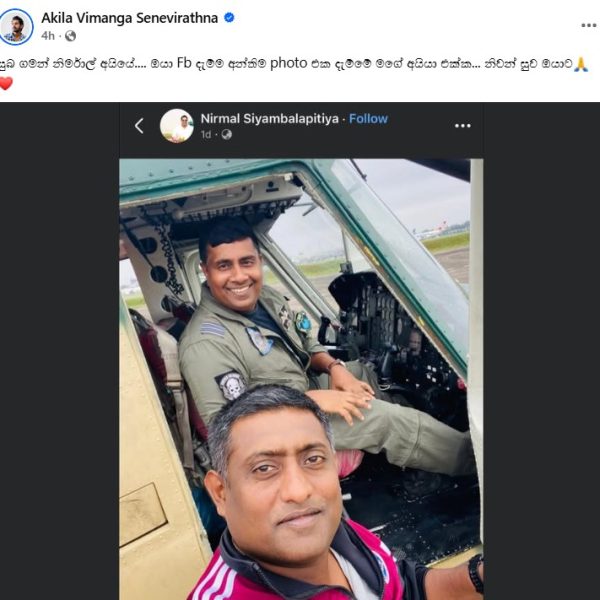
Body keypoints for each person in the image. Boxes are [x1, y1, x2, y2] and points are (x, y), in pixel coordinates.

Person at [179, 215, 475, 476]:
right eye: (224, 266)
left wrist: (336, 368)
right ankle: (472, 461)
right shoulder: (205, 343)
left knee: (364, 373)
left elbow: (307, 344)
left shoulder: (267, 299)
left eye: (246, 262)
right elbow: (231, 428)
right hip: (282, 428)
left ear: (259, 261)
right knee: (387, 421)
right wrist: (309, 401)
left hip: (303, 387)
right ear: (206, 270)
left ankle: (427, 437)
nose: (239, 276)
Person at [188, 385, 484, 599]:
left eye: (313, 459)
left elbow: (403, 586)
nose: (299, 491)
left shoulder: (340, 535)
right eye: (264, 468)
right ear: (220, 493)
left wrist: (477, 576)